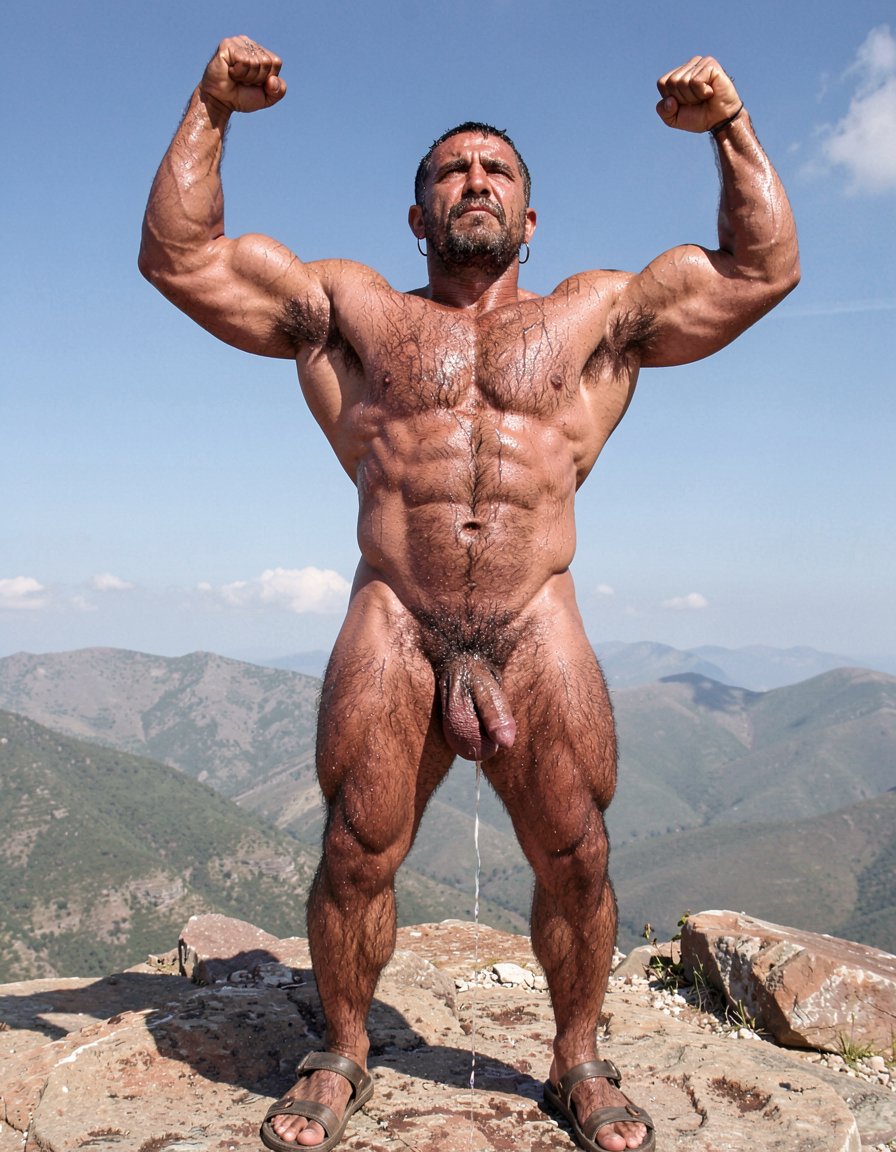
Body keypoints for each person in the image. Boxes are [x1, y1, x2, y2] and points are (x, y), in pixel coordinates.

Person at [139, 35, 798, 1152]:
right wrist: (211, 105)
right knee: (355, 849)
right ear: (416, 217)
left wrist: (731, 130)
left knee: (578, 852)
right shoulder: (353, 312)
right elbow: (183, 258)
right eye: (451, 171)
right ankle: (341, 1047)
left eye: (496, 173)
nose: (475, 183)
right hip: (396, 614)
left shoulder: (595, 316)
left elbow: (756, 271)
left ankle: (577, 1057)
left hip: (535, 619)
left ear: (529, 220)